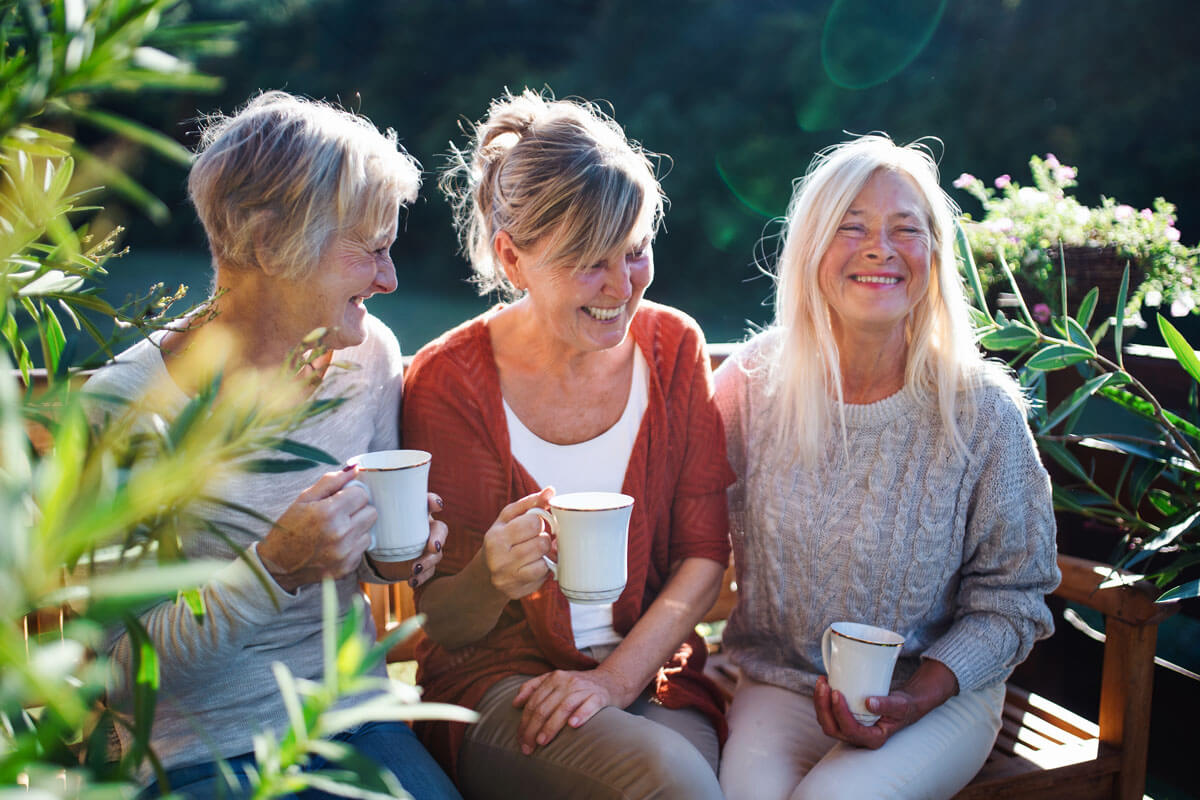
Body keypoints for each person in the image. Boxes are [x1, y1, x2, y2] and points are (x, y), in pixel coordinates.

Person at [85, 91, 461, 799]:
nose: (391, 279)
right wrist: (272, 571)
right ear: (268, 245)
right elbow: (119, 666)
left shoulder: (368, 356)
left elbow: (376, 574)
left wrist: (396, 551)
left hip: (350, 719)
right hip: (195, 752)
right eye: (370, 252)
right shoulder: (126, 404)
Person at [401, 89, 733, 800]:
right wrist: (492, 575)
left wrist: (614, 681)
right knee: (676, 784)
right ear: (512, 259)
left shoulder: (675, 349)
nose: (622, 287)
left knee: (697, 781)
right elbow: (444, 628)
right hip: (497, 689)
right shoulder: (447, 384)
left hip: (648, 678)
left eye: (636, 251)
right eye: (589, 263)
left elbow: (705, 555)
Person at [714, 134, 1061, 800]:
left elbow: (1014, 599)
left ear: (934, 256)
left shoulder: (982, 412)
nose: (881, 247)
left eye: (907, 229)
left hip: (939, 695)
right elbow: (676, 515)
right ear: (812, 247)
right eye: (852, 227)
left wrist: (920, 695)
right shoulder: (753, 384)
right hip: (782, 682)